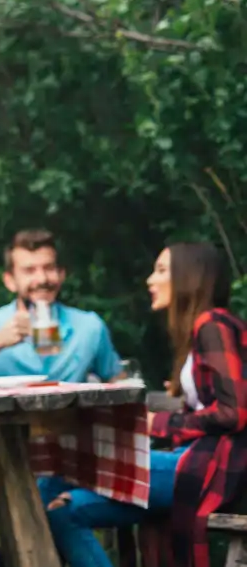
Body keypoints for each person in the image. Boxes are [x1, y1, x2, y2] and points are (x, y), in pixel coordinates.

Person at [0, 229, 124, 567]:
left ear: (61, 274)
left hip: (57, 460)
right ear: (9, 280)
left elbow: (118, 382)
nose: (41, 279)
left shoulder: (88, 328)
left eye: (48, 268)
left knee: (31, 538)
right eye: (29, 270)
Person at [45, 242, 247, 567]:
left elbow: (235, 412)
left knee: (64, 463)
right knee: (64, 511)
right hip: (193, 460)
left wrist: (160, 423)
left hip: (209, 467)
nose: (150, 280)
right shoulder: (202, 331)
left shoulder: (214, 324)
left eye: (162, 270)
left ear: (189, 277)